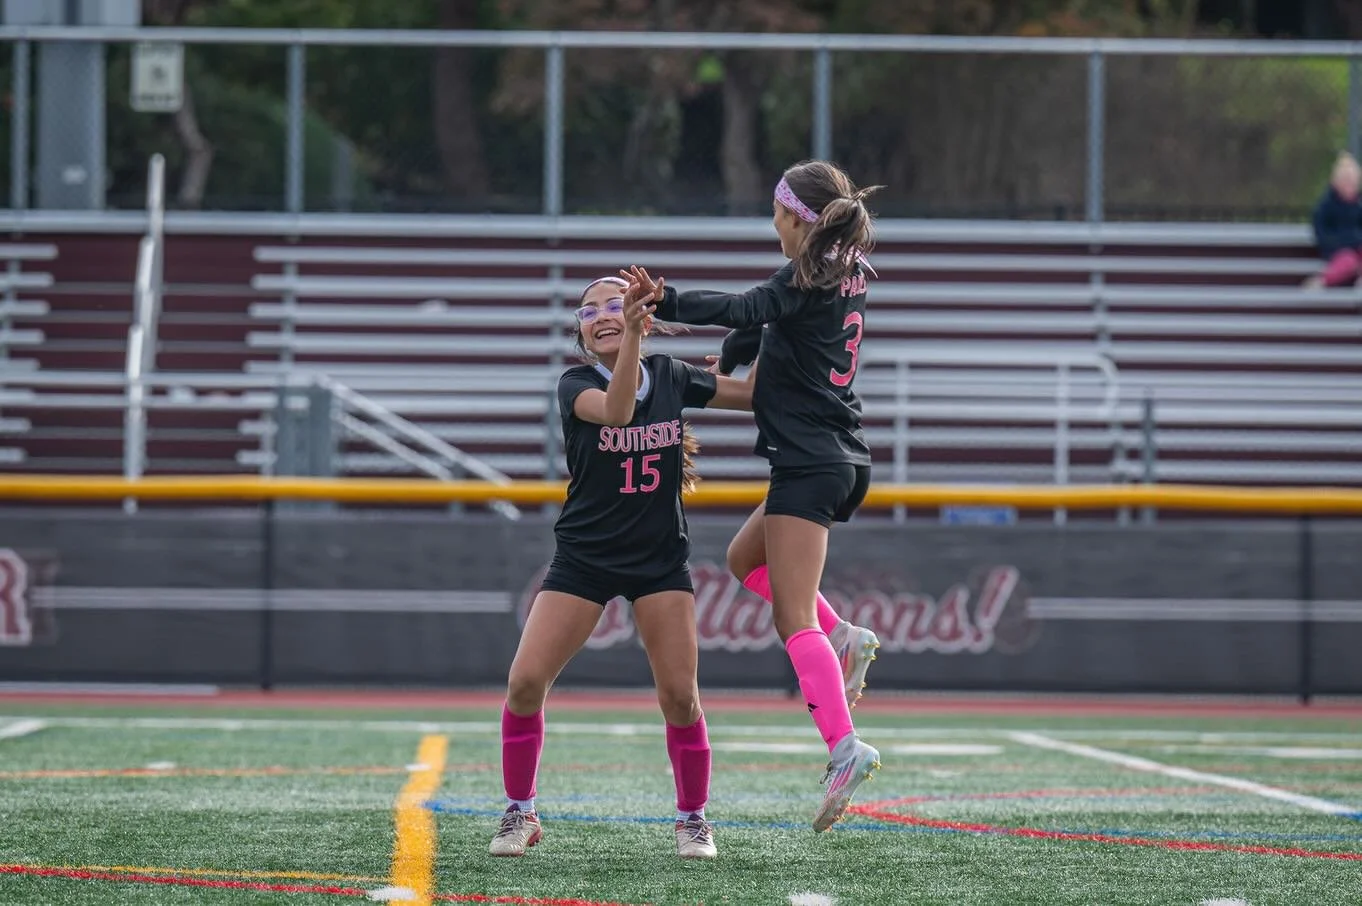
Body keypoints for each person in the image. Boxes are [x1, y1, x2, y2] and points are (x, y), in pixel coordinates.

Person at [623, 159, 883, 832]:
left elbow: (746, 309)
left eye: (776, 213)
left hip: (809, 462)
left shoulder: (801, 280)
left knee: (792, 619)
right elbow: (762, 323)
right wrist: (734, 359)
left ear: (797, 217)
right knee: (745, 560)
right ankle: (844, 635)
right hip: (840, 455)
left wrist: (664, 302)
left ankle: (844, 746)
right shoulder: (842, 272)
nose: (772, 225)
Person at [490, 275, 755, 860]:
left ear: (644, 314)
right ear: (581, 333)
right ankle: (520, 810)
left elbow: (753, 397)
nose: (603, 314)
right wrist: (633, 333)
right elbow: (618, 411)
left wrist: (771, 333)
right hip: (586, 558)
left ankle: (692, 818)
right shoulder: (576, 383)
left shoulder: (672, 374)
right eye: (589, 311)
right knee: (525, 683)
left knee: (681, 697)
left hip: (658, 561)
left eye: (616, 303)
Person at [1307, 151, 1362, 288]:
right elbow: (1322, 233)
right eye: (1346, 181)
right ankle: (1322, 281)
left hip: (1358, 249)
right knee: (1348, 261)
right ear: (1336, 182)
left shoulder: (1359, 204)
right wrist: (1342, 243)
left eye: (1353, 182)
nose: (1350, 186)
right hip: (1337, 251)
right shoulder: (1326, 206)